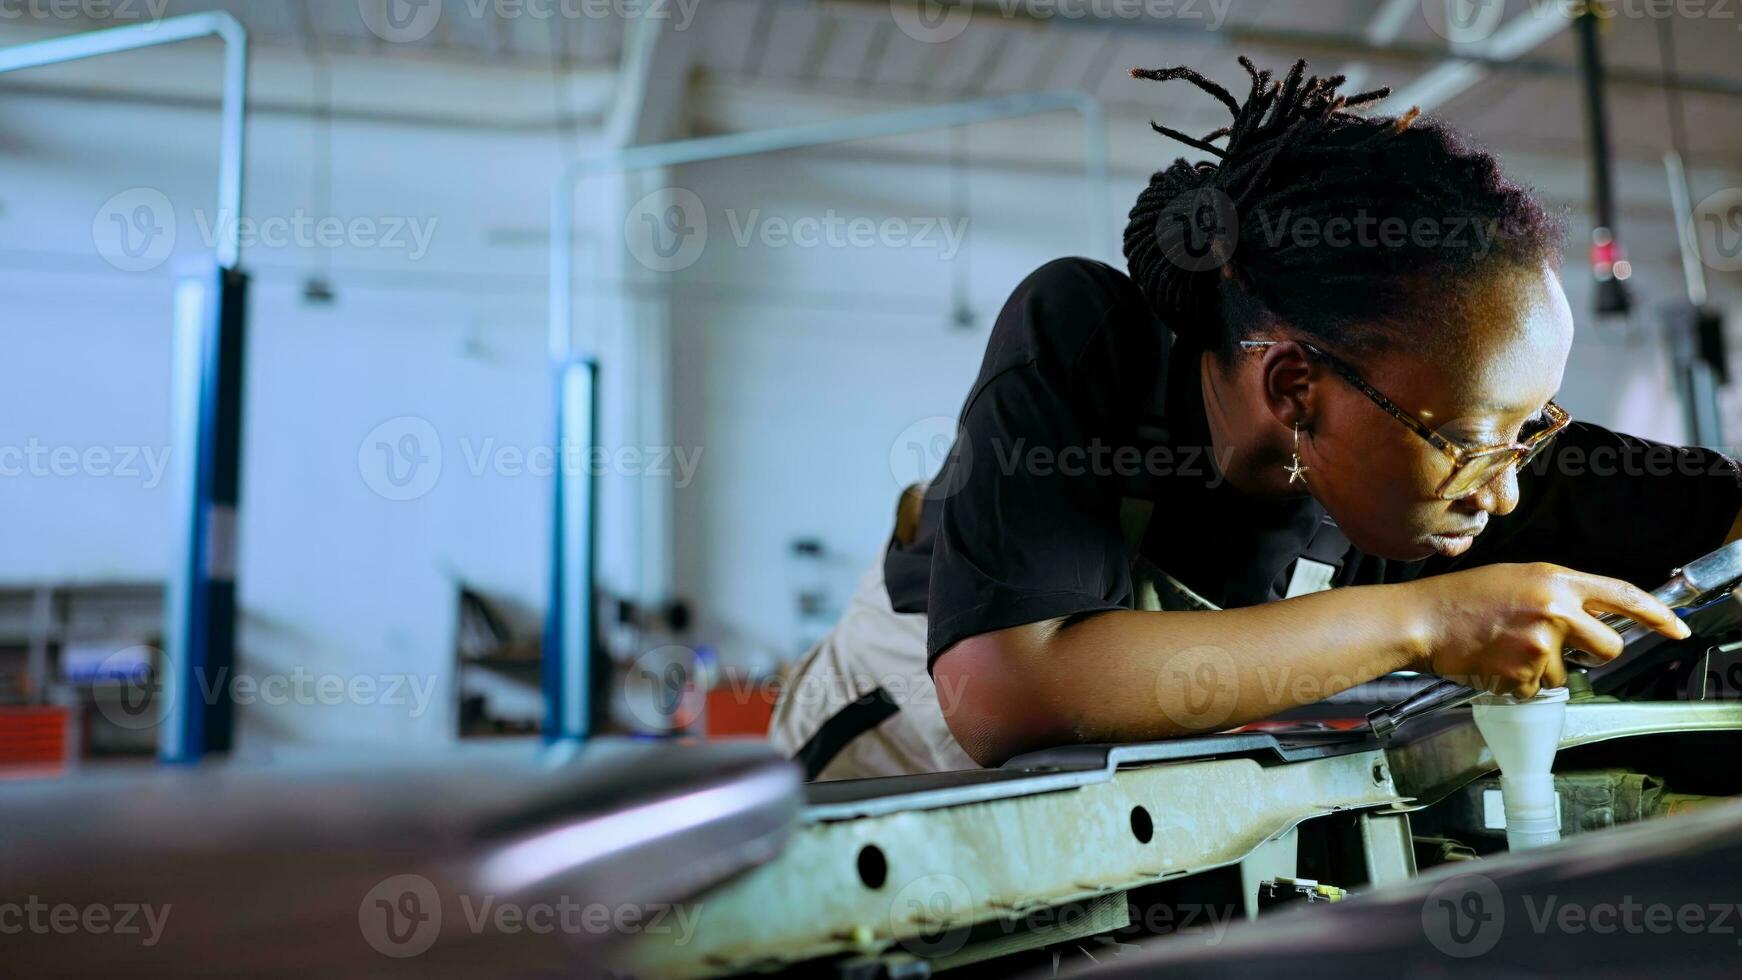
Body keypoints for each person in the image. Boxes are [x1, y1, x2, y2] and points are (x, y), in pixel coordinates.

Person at [768, 58, 1742, 781]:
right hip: (888, 762)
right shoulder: (1087, 339)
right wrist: (1426, 617)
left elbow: (1711, 515)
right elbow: (1000, 690)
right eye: (1472, 442)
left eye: (1528, 429)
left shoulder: (1458, 447)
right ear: (1291, 389)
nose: (1507, 484)